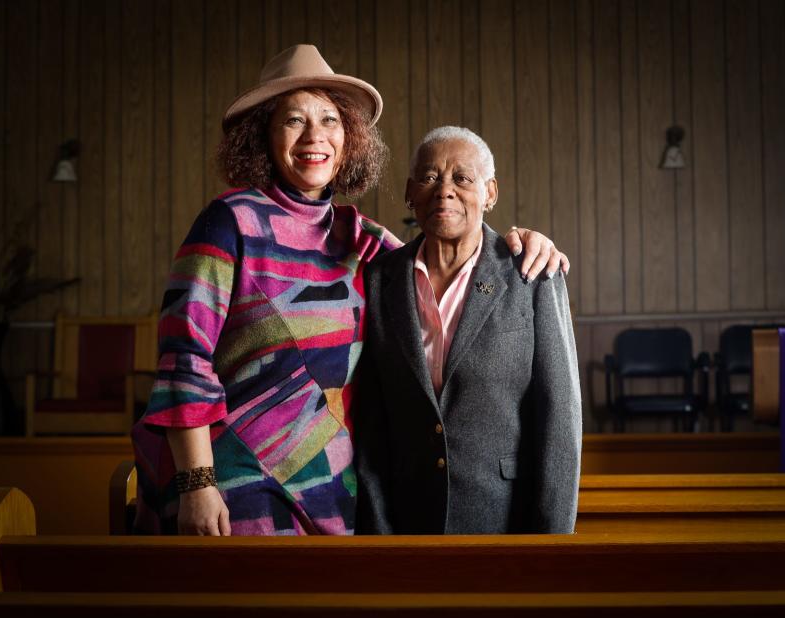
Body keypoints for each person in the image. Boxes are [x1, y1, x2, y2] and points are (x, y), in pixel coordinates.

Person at [131, 45, 568, 536]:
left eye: (330, 120)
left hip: (337, 497)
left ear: (349, 137)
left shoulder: (366, 240)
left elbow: (446, 263)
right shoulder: (229, 223)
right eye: (294, 121)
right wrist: (197, 483)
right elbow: (184, 357)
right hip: (235, 489)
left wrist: (525, 243)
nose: (315, 136)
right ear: (264, 137)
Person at [355, 126, 582, 534]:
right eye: (429, 178)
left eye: (462, 178)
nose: (444, 191)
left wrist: (553, 545)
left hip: (503, 519)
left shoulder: (531, 274)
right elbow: (372, 422)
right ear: (410, 192)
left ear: (490, 192)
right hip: (406, 522)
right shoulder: (378, 280)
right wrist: (378, 532)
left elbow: (560, 420)